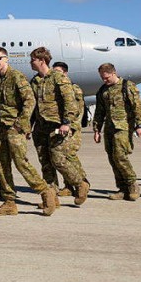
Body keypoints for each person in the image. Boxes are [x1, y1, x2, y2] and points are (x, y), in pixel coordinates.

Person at [0, 47, 57, 216]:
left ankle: (45, 191)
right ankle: (9, 202)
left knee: (21, 162)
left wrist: (21, 123)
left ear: (6, 59)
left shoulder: (16, 76)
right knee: (1, 163)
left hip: (14, 127)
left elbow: (30, 100)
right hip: (1, 127)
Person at [28, 47, 89, 206]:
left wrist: (67, 123)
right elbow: (33, 106)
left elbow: (70, 101)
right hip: (40, 127)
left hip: (57, 126)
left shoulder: (58, 77)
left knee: (58, 159)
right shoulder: (34, 81)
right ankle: (52, 198)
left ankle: (80, 183)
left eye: (33, 59)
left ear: (42, 60)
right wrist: (28, 126)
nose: (30, 62)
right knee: (45, 163)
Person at [92, 62, 141, 200]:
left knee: (120, 156)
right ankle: (122, 188)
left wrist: (140, 125)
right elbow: (99, 112)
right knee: (112, 158)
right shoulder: (103, 90)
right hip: (109, 128)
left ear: (114, 73)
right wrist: (97, 130)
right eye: (102, 78)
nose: (105, 80)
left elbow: (137, 106)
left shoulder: (127, 86)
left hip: (124, 127)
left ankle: (132, 184)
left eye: (107, 77)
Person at [52, 61, 89, 196]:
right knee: (63, 156)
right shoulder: (56, 88)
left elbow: (77, 111)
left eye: (58, 72)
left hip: (72, 128)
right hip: (62, 127)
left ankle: (82, 182)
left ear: (65, 73)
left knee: (69, 155)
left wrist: (70, 126)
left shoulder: (73, 88)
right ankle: (69, 186)